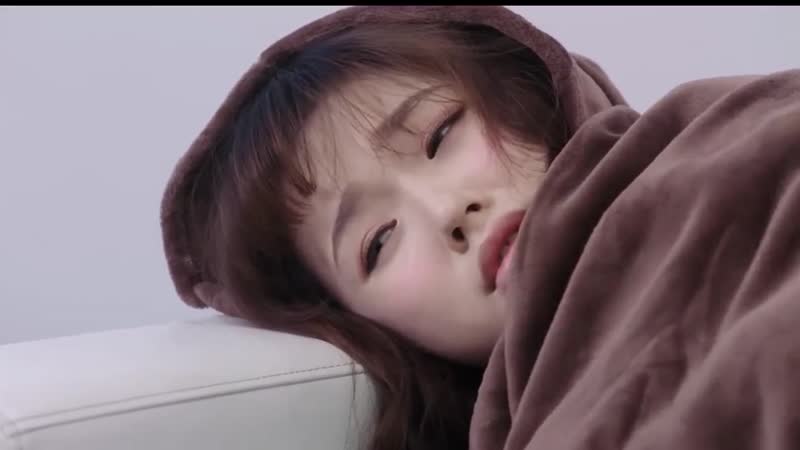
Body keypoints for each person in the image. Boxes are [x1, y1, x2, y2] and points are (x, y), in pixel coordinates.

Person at [160, 5, 800, 450]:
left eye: (440, 135)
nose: (446, 212)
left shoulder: (729, 139)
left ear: (528, 92)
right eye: (378, 242)